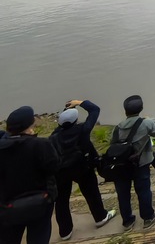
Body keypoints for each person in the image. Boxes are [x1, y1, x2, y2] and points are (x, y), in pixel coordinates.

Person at [50, 100, 116, 240]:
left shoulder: (54, 136)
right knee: (91, 193)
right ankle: (100, 217)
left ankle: (65, 231)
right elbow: (95, 110)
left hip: (61, 171)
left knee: (61, 201)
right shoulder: (82, 130)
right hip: (83, 167)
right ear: (75, 120)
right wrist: (80, 102)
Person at [0, 106, 59, 244]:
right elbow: (54, 167)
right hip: (40, 202)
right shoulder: (41, 145)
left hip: (8, 206)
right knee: (39, 238)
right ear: (29, 125)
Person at [111, 95, 155, 232]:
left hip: (121, 165)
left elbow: (113, 144)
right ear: (141, 109)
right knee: (144, 191)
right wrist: (151, 119)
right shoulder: (145, 123)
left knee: (123, 194)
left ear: (125, 111)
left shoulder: (117, 128)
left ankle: (127, 221)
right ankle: (148, 217)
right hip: (140, 163)